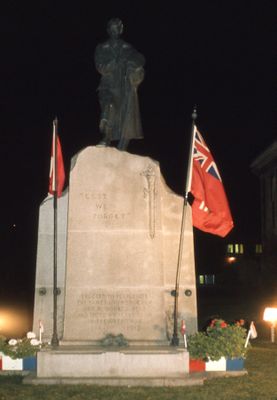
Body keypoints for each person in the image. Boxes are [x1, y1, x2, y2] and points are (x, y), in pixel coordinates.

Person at [95, 18, 145, 150]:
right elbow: (100, 66)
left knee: (123, 119)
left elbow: (140, 59)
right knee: (109, 106)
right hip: (107, 86)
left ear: (121, 29)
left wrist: (131, 65)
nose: (113, 31)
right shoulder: (101, 48)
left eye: (116, 28)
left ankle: (121, 145)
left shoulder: (127, 48)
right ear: (107, 30)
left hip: (123, 88)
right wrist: (116, 62)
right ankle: (106, 137)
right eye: (111, 28)